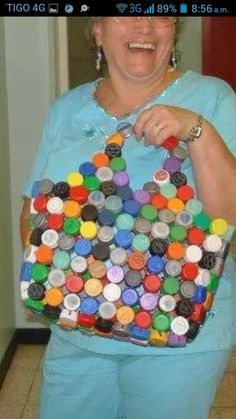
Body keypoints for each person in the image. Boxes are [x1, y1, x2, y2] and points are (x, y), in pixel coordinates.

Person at [20, 17, 236, 419]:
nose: (145, 26)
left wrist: (195, 130)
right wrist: (52, 284)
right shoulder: (67, 108)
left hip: (179, 338)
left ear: (174, 31)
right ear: (97, 29)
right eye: (126, 12)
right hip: (77, 332)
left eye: (161, 14)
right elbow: (35, 211)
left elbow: (229, 213)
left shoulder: (212, 98)